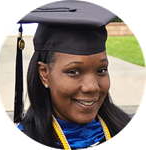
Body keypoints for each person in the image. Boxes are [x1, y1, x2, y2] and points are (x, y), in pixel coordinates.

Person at [15, 0, 131, 149]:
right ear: (44, 74)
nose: (91, 87)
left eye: (101, 70)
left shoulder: (122, 125)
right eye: (74, 72)